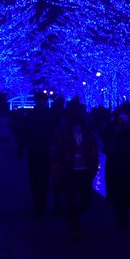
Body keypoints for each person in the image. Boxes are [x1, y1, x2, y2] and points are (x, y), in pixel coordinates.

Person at [51, 98, 99, 233]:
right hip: (70, 167)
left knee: (84, 196)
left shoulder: (86, 131)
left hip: (82, 167)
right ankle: (74, 225)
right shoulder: (63, 131)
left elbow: (92, 149)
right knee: (72, 196)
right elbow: (56, 150)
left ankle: (74, 218)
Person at [102, 104, 130, 227]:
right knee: (124, 187)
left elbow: (105, 136)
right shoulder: (128, 125)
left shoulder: (113, 124)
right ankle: (122, 214)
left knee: (120, 187)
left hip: (118, 159)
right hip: (126, 159)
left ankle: (121, 213)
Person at [24, 91, 54, 216]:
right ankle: (41, 203)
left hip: (35, 149)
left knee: (36, 178)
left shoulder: (31, 114)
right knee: (44, 178)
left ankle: (38, 204)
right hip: (45, 149)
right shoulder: (50, 114)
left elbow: (25, 132)